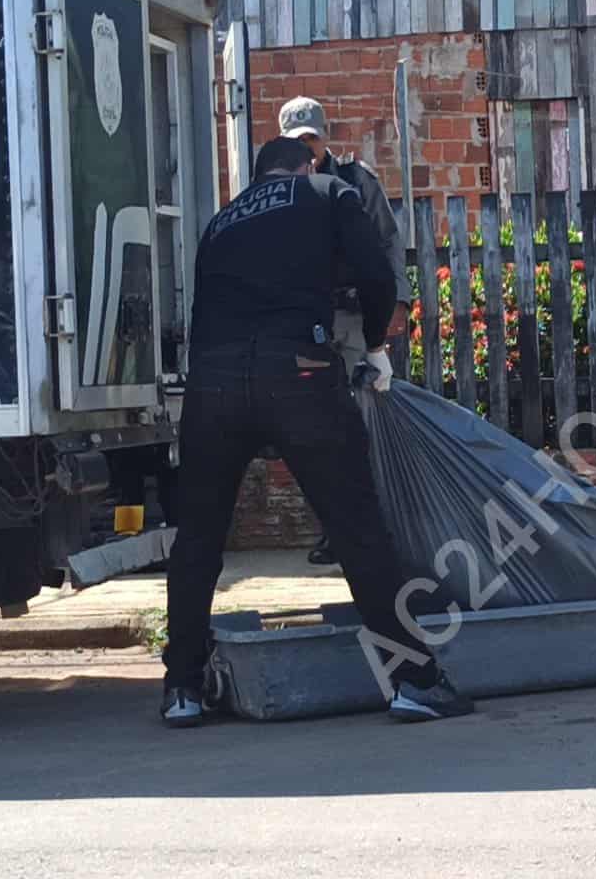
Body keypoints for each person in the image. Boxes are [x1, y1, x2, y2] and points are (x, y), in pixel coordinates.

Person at [160, 135, 472, 726]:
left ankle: (183, 690)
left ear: (257, 179)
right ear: (305, 164)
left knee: (198, 540)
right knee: (357, 529)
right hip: (298, 373)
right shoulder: (329, 190)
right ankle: (413, 682)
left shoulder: (220, 222)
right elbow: (378, 275)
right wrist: (376, 344)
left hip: (213, 385)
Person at [277, 96, 410, 569]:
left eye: (311, 140)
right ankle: (331, 530)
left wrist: (397, 304)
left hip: (354, 321)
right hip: (305, 325)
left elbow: (389, 241)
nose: (306, 151)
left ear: (325, 138)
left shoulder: (356, 180)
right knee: (314, 429)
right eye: (297, 143)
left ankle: (373, 528)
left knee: (361, 423)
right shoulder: (279, 189)